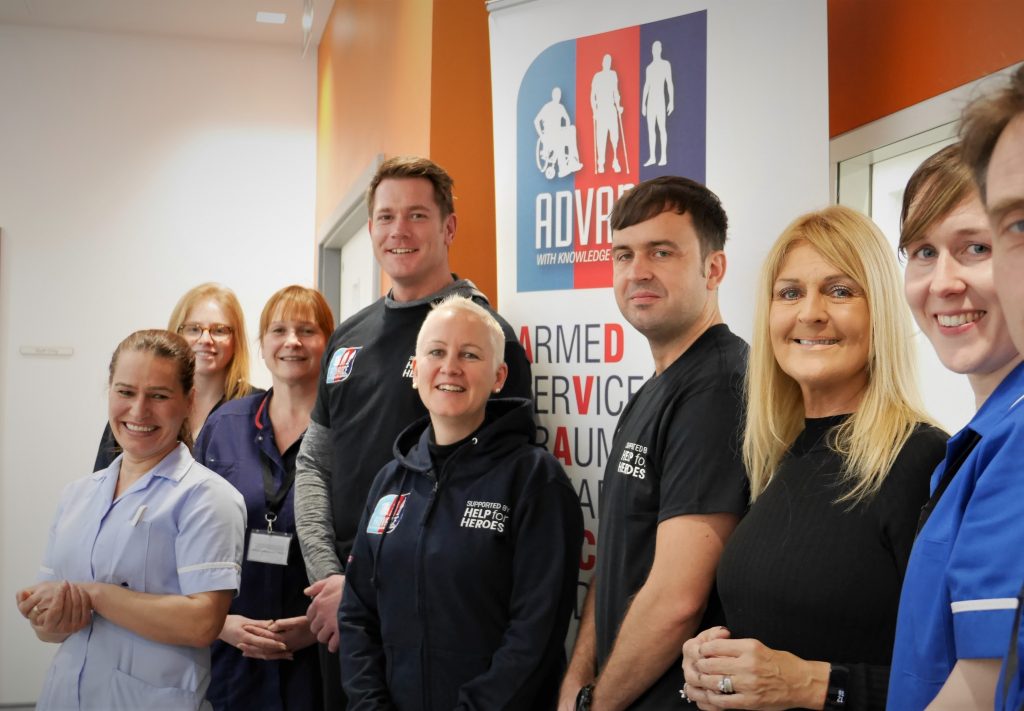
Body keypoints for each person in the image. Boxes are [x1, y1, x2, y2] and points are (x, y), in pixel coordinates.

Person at [680, 205, 947, 711]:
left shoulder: (919, 459)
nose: (810, 313)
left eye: (841, 291)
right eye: (790, 293)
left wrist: (810, 684)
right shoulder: (779, 455)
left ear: (880, 313)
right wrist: (705, 658)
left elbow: (956, 682)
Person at [294, 156, 532, 707]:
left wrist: (360, 593)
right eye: (385, 217)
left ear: (448, 226)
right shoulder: (348, 338)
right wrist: (335, 582)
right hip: (343, 614)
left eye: (418, 215)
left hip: (434, 616)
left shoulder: (486, 339)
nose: (398, 231)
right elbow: (313, 464)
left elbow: (495, 489)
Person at [559, 176, 749, 711]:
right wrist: (579, 680)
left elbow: (677, 599)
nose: (636, 271)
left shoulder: (719, 386)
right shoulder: (655, 391)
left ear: (713, 269)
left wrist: (597, 703)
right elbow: (619, 560)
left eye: (661, 252)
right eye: (623, 254)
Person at [338, 295, 581, 709]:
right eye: (436, 352)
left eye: (469, 355)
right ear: (415, 370)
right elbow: (357, 615)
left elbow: (534, 636)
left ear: (499, 375)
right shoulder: (390, 481)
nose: (450, 367)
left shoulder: (534, 481)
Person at [887, 65, 1024, 711]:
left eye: (974, 247)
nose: (941, 282)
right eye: (921, 251)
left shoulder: (1017, 439)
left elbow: (983, 683)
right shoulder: (979, 439)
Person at [16, 329, 246, 710]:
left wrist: (95, 594)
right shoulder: (78, 495)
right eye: (125, 392)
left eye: (158, 395)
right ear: (109, 392)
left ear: (188, 401)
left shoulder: (206, 497)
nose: (139, 411)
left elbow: (202, 623)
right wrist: (47, 617)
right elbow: (49, 633)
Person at [195, 286, 335, 710]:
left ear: (329, 344)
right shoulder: (225, 425)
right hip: (233, 656)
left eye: (306, 330)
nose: (292, 341)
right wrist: (218, 624)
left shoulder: (349, 432)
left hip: (321, 654)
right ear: (262, 343)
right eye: (279, 330)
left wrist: (319, 627)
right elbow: (187, 533)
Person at [94, 282, 259, 470]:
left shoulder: (257, 409)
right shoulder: (133, 413)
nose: (205, 340)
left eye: (219, 330)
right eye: (194, 329)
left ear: (236, 339)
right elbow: (102, 485)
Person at [641, 40, 674, 167]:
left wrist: (671, 101)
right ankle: (653, 157)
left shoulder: (665, 65)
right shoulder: (649, 68)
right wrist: (643, 103)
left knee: (661, 128)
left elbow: (669, 83)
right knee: (651, 130)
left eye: (657, 48)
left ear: (660, 50)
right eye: (654, 49)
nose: (655, 51)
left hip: (660, 100)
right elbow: (646, 86)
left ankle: (664, 156)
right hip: (651, 103)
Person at [591, 54, 624, 174]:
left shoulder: (612, 74)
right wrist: (594, 111)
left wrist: (618, 105)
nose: (607, 63)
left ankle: (615, 160)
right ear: (603, 63)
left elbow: (616, 91)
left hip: (611, 108)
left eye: (609, 62)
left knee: (615, 136)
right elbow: (592, 95)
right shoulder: (597, 76)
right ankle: (601, 163)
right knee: (601, 138)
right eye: (606, 61)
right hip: (601, 110)